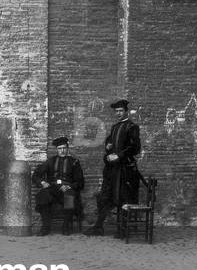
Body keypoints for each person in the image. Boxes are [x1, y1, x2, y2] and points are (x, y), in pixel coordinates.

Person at [84, 98, 141, 236]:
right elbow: (109, 147)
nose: (119, 113)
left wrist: (119, 156)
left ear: (126, 112)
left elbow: (136, 148)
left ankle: (123, 229)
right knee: (105, 196)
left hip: (125, 170)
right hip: (112, 170)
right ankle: (98, 227)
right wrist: (108, 151)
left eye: (121, 111)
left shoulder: (132, 127)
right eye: (116, 111)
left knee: (123, 198)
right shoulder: (115, 128)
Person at [32, 136, 85, 236]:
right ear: (57, 150)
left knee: (70, 197)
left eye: (64, 148)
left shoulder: (74, 162)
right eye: (60, 148)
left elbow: (80, 182)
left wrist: (70, 186)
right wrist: (42, 182)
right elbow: (36, 175)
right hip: (52, 189)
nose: (62, 151)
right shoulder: (50, 161)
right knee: (42, 195)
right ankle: (45, 227)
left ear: (67, 148)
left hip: (67, 189)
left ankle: (66, 226)